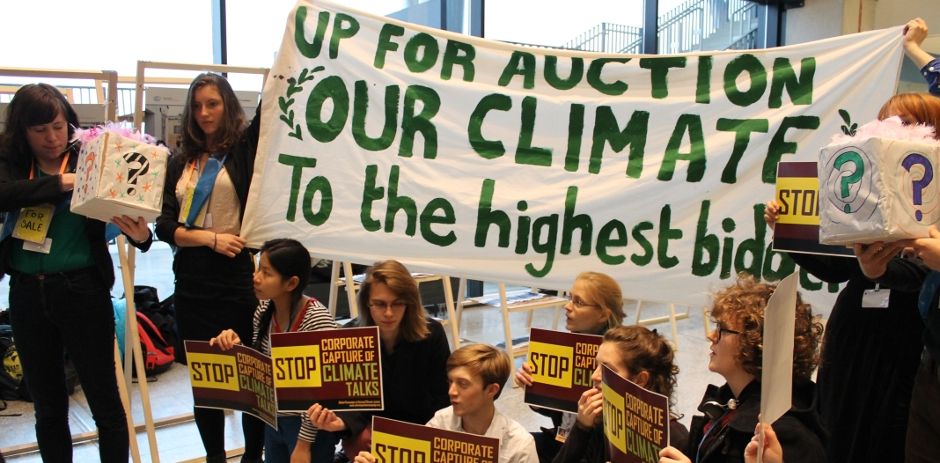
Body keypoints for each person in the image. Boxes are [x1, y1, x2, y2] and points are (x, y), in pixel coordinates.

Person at [0, 83, 152, 462]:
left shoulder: (93, 156)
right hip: (27, 293)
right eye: (39, 131)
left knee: (106, 402)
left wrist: (142, 234)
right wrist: (62, 183)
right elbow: (6, 193)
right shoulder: (12, 163)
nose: (52, 138)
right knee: (48, 405)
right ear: (22, 132)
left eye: (58, 126)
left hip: (83, 290)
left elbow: (134, 208)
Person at [155, 72, 264, 462]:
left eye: (212, 103)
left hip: (236, 281)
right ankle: (215, 458)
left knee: (250, 380)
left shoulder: (244, 151)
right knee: (208, 384)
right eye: (197, 105)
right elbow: (165, 225)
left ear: (228, 105)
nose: (204, 113)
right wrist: (209, 238)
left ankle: (253, 456)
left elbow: (272, 107)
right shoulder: (180, 161)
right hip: (190, 285)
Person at [765, 197, 922, 461]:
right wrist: (786, 228)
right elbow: (838, 267)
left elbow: (924, 270)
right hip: (854, 330)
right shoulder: (869, 191)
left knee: (890, 430)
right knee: (838, 423)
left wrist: (881, 268)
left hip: (906, 332)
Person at [294, 260, 451, 462]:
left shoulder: (431, 333)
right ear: (367, 303)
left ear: (410, 304)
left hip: (420, 429)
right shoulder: (350, 335)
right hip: (370, 429)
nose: (388, 313)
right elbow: (352, 402)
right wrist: (340, 422)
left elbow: (441, 399)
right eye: (379, 304)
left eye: (397, 303)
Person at [658, 274, 826, 463]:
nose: (711, 335)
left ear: (757, 343)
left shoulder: (785, 433)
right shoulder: (730, 402)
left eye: (722, 329)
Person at [209, 239, 338, 462]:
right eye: (258, 268)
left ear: (291, 283)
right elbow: (264, 372)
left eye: (266, 273)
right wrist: (237, 348)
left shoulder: (316, 319)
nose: (256, 277)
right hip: (275, 421)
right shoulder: (263, 311)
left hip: (310, 427)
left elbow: (323, 392)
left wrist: (303, 445)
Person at [352, 343, 538, 463]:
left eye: (463, 384)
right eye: (450, 382)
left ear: (491, 390)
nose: (451, 392)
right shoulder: (441, 421)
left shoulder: (519, 446)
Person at [513, 272, 626, 463]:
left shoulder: (619, 357)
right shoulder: (564, 345)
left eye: (578, 302)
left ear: (603, 315)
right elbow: (559, 413)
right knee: (511, 448)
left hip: (596, 451)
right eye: (569, 298)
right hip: (561, 439)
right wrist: (534, 390)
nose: (567, 306)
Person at [553, 325, 689, 463]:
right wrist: (581, 428)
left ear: (640, 379)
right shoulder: (603, 419)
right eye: (596, 366)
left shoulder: (674, 438)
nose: (594, 376)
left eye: (607, 369)